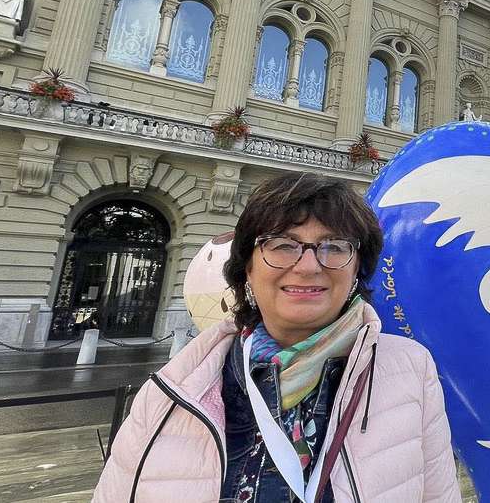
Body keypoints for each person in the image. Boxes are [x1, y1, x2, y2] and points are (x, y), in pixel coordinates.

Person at [93, 172, 461, 502]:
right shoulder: (173, 389)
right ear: (247, 268)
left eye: (335, 246)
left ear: (357, 271)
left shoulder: (410, 371)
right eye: (282, 245)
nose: (308, 266)